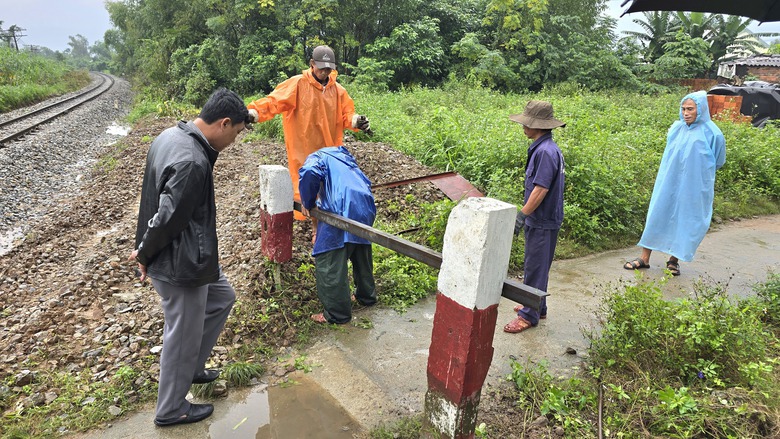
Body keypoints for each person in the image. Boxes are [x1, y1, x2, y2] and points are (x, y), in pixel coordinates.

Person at [129, 88, 249, 427]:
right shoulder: (193, 161)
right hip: (181, 264)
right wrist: (145, 253)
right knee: (180, 334)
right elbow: (167, 217)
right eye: (237, 133)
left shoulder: (173, 135)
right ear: (224, 123)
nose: (235, 140)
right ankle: (171, 409)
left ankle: (192, 368)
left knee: (222, 298)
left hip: (191, 257)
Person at [246, 45, 371, 220]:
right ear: (312, 63)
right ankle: (313, 224)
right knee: (306, 188)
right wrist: (254, 113)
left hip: (329, 149)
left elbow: (346, 114)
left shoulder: (338, 90)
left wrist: (357, 120)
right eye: (321, 67)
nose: (325, 71)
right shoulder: (297, 84)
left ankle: (320, 229)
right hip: (303, 148)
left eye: (329, 68)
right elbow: (274, 102)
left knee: (328, 187)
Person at [624, 91, 726, 276]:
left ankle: (673, 260)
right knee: (658, 213)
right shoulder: (676, 129)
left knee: (686, 219)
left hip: (695, 186)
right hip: (668, 181)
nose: (686, 113)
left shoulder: (713, 134)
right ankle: (644, 258)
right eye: (683, 109)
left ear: (701, 110)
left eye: (691, 109)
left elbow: (719, 161)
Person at [503, 100, 566, 334]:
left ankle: (528, 314)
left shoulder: (546, 152)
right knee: (537, 266)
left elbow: (540, 189)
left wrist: (522, 215)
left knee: (535, 266)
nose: (523, 127)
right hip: (541, 218)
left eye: (527, 123)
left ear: (538, 126)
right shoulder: (543, 148)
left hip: (542, 219)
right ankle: (539, 305)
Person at [298, 145, 377, 324]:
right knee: (360, 251)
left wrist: (308, 201)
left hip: (341, 208)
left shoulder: (316, 156)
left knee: (329, 260)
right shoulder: (344, 158)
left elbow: (309, 171)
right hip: (365, 206)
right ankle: (366, 297)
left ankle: (336, 314)